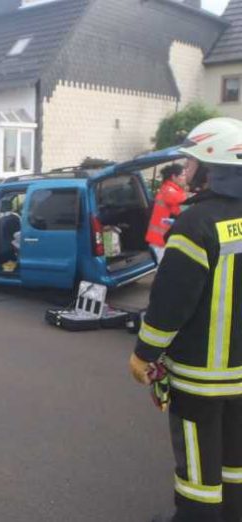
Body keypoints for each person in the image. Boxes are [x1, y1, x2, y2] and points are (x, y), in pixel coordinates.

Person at [129, 118, 242, 522]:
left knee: (198, 472)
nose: (186, 171)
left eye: (193, 163)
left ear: (215, 169)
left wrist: (145, 354)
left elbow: (170, 304)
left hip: (201, 379)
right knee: (233, 462)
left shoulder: (196, 225)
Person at [146, 164, 189, 264]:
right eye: (182, 175)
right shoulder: (171, 192)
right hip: (161, 241)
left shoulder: (167, 189)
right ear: (174, 177)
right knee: (165, 273)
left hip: (160, 240)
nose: (185, 178)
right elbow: (187, 208)